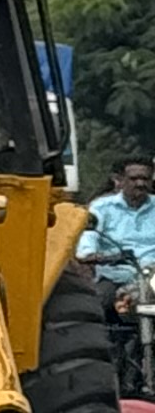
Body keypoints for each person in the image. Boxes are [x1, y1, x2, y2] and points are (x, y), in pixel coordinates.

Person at [78, 155, 155, 398]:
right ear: (120, 181)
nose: (140, 183)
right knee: (94, 310)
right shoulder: (101, 209)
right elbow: (85, 247)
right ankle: (93, 369)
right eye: (134, 178)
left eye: (145, 178)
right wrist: (98, 256)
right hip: (115, 275)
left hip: (152, 277)